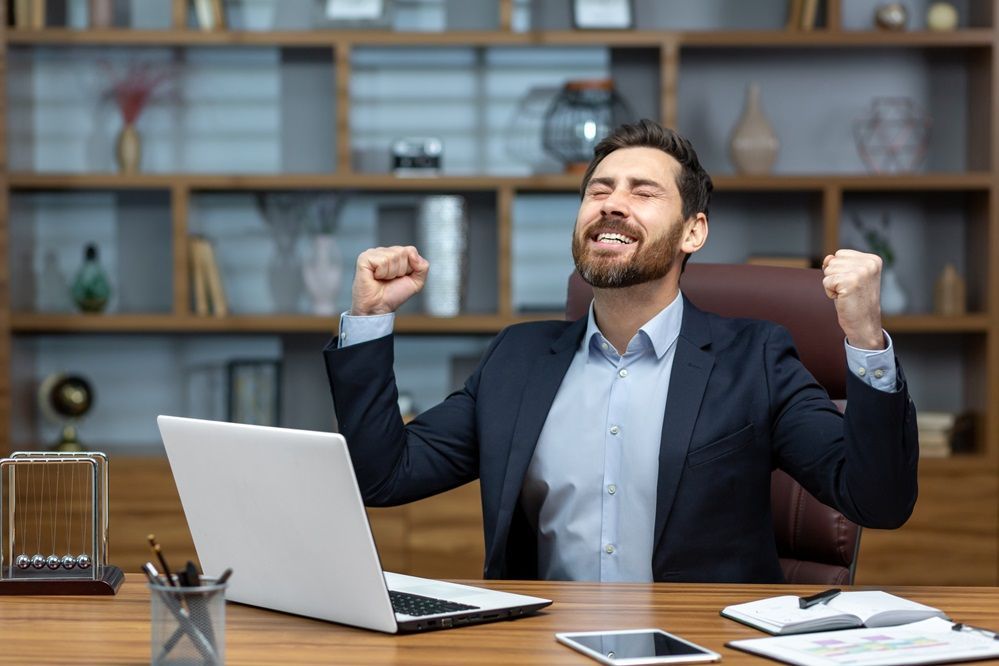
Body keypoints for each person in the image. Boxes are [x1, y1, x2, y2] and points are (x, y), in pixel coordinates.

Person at [323, 119, 918, 583]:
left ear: (693, 231)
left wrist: (866, 339)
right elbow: (384, 476)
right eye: (598, 190)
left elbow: (878, 500)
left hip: (700, 648)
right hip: (544, 647)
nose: (611, 203)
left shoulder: (755, 359)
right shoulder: (517, 357)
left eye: (643, 192)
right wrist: (370, 320)